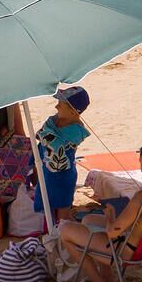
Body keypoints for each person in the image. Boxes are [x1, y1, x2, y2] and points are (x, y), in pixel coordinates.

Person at [56, 138, 142, 282]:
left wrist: (110, 216)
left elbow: (111, 233)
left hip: (126, 252)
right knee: (89, 220)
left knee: (65, 230)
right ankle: (108, 278)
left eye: (141, 163)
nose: (140, 167)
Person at [34, 86, 91, 228]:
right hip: (48, 170)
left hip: (63, 173)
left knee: (63, 209)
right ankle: (52, 230)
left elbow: (53, 143)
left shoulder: (77, 130)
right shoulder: (55, 120)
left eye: (61, 104)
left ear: (73, 111)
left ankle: (64, 235)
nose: (56, 106)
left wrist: (46, 134)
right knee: (47, 202)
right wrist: (46, 134)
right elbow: (43, 135)